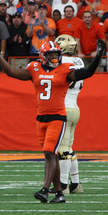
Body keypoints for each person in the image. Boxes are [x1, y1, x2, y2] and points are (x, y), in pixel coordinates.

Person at [0, 36, 105, 203]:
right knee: (52, 155)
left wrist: (98, 56)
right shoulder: (34, 68)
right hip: (41, 118)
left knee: (49, 153)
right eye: (51, 54)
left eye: (57, 54)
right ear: (42, 56)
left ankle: (45, 189)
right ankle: (59, 193)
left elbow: (86, 73)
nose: (55, 58)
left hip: (58, 117)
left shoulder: (65, 69)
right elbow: (12, 72)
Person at [48, 34, 84, 194]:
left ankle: (63, 185)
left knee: (62, 149)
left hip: (63, 109)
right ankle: (76, 183)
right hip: (75, 108)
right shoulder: (79, 61)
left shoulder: (62, 63)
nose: (53, 54)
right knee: (69, 148)